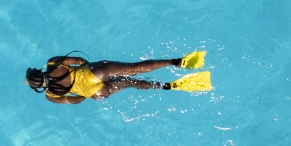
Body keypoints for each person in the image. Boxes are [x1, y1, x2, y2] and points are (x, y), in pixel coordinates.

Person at [25, 50, 211, 104]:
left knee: (132, 83)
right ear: (38, 71)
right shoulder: (52, 64)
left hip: (96, 92)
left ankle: (168, 86)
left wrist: (86, 93)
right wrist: (92, 66)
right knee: (134, 68)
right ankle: (177, 62)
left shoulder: (51, 96)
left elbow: (74, 101)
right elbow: (78, 59)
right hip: (94, 72)